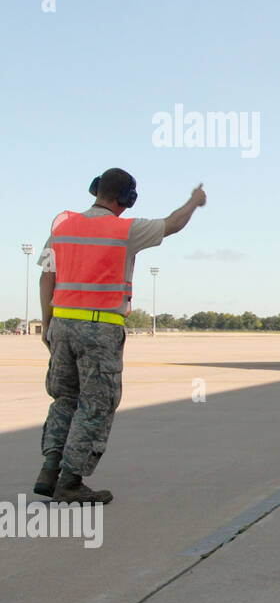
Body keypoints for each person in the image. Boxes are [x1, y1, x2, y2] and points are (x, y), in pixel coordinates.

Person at [34, 170, 207, 504]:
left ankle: (49, 469)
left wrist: (47, 323)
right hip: (99, 328)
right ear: (126, 199)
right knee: (96, 404)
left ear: (96, 190)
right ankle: (69, 481)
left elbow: (46, 276)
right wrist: (194, 202)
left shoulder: (61, 228)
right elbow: (172, 224)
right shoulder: (124, 230)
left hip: (63, 325)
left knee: (65, 400)